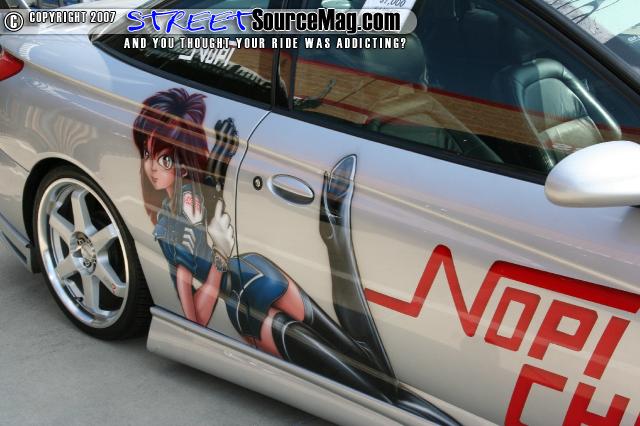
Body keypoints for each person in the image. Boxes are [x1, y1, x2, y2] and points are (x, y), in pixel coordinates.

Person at [133, 88, 458, 425]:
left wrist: (218, 249)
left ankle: (335, 237)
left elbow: (194, 316)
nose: (152, 167)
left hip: (252, 289)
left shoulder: (182, 208)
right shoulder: (173, 223)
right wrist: (220, 253)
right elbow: (196, 318)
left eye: (165, 159)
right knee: (379, 384)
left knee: (376, 388)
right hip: (254, 282)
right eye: (148, 155)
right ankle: (335, 238)